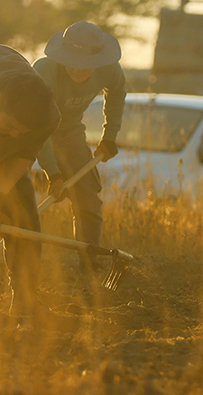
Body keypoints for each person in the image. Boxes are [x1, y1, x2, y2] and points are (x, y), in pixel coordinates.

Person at [33, 21, 126, 269]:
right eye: (72, 61)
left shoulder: (110, 69)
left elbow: (117, 93)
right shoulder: (43, 72)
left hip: (70, 132)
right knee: (11, 193)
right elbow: (37, 128)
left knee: (88, 199)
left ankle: (89, 260)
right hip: (23, 132)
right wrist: (53, 173)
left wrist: (109, 136)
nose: (77, 70)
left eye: (86, 66)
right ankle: (20, 261)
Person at [0, 43, 60, 316]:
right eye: (10, 126)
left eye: (22, 131)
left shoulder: (46, 117)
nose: (15, 135)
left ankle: (24, 300)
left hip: (9, 157)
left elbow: (21, 156)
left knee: (25, 220)